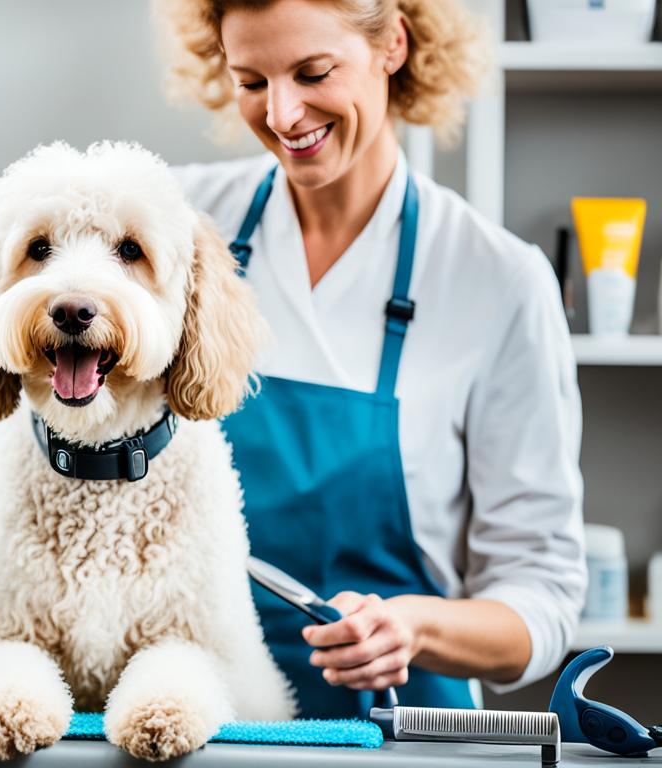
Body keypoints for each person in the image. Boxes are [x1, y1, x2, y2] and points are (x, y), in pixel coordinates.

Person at [157, 0, 587, 718]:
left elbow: (541, 599)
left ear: (393, 43)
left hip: (400, 729)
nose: (285, 115)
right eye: (252, 82)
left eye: (313, 72)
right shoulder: (175, 226)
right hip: (198, 719)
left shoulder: (496, 279)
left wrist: (414, 626)